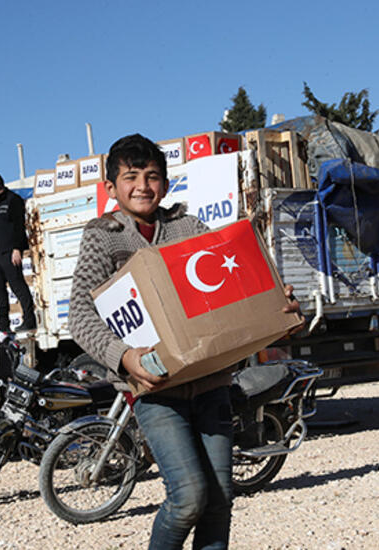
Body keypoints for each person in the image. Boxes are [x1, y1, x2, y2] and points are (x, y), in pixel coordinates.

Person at [69, 134, 302, 549]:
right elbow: (81, 318)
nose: (143, 186)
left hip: (212, 383)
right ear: (111, 188)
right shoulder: (102, 237)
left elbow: (233, 282)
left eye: (153, 176)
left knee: (220, 499)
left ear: (166, 182)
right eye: (131, 177)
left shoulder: (188, 228)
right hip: (157, 391)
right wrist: (124, 358)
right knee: (188, 497)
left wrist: (274, 301)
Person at [0, 172, 36, 333]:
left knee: (18, 286)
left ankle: (29, 320)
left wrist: (17, 248)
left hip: (10, 251)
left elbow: (19, 225)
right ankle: (3, 323)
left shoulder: (13, 200)